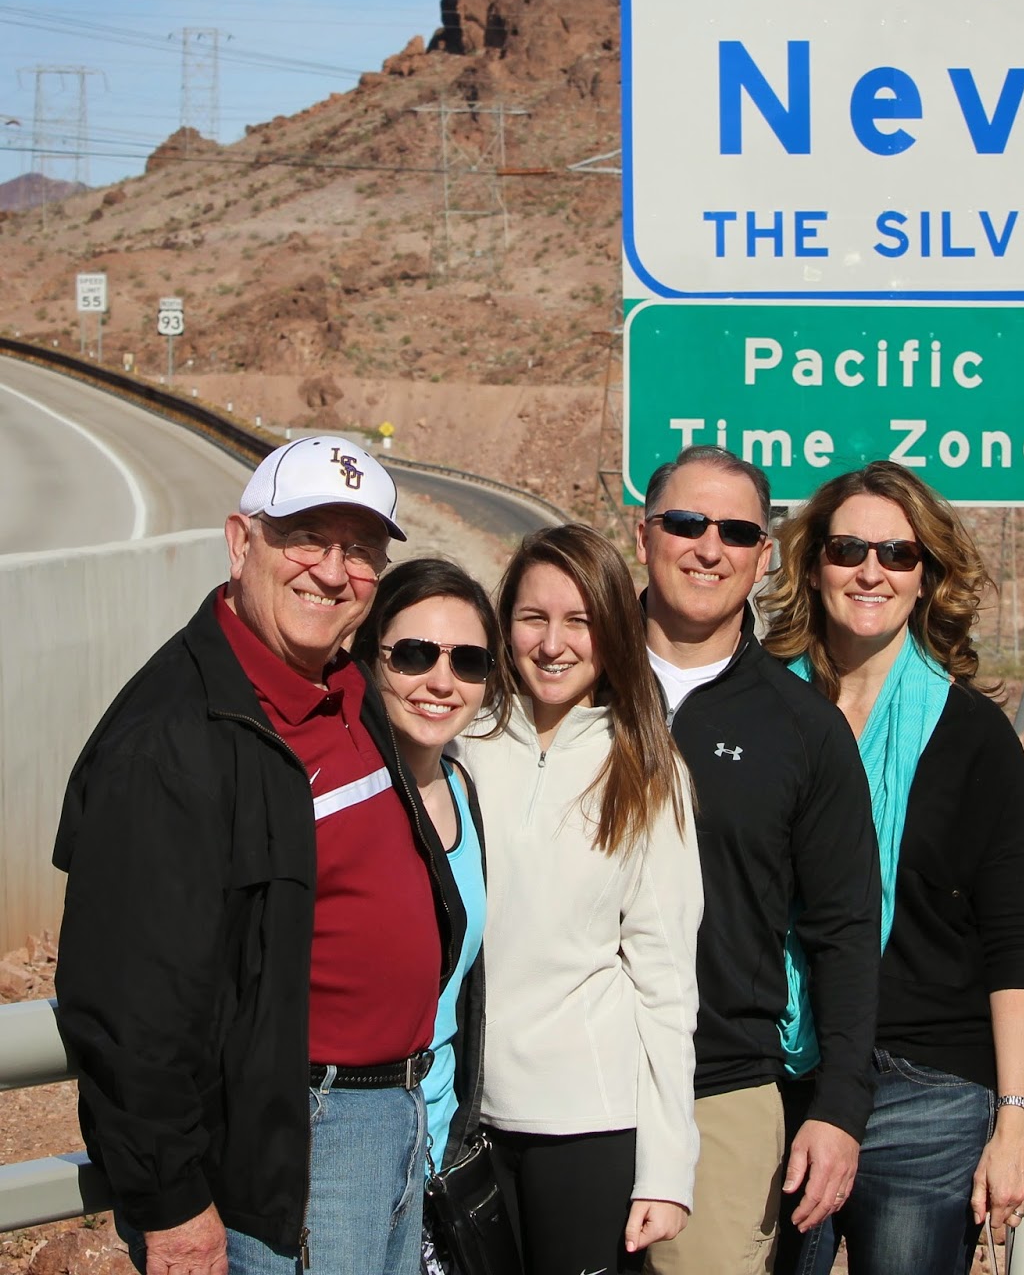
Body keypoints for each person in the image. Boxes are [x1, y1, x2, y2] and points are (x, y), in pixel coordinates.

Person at [53, 436, 467, 1275]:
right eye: (306, 538)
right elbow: (127, 1006)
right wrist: (173, 1204)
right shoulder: (175, 740)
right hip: (294, 1146)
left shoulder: (350, 688)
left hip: (396, 1116)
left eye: (359, 550)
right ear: (241, 543)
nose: (332, 572)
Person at [763, 461, 1024, 1275]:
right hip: (778, 1078)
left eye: (897, 554)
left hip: (926, 1093)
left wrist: (1014, 1124)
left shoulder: (975, 739)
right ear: (812, 565)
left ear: (927, 576)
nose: (870, 571)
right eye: (847, 549)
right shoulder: (756, 715)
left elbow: (1008, 943)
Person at [636, 445, 881, 1275]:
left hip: (723, 1091)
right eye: (685, 523)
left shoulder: (802, 727)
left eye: (737, 532)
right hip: (561, 1090)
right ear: (643, 535)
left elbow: (845, 928)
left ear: (764, 555)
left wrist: (840, 1106)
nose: (709, 548)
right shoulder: (571, 685)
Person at [458, 522, 702, 1274]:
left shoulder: (647, 768)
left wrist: (667, 1168)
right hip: (462, 1116)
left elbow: (666, 982)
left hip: (590, 1124)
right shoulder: (459, 747)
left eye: (580, 621)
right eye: (533, 618)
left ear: (614, 632)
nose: (553, 644)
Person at [354, 558, 511, 1196]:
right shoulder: (344, 797)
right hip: (351, 1147)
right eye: (414, 655)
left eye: (468, 662)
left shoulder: (463, 787)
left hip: (442, 1143)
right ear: (369, 656)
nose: (441, 682)